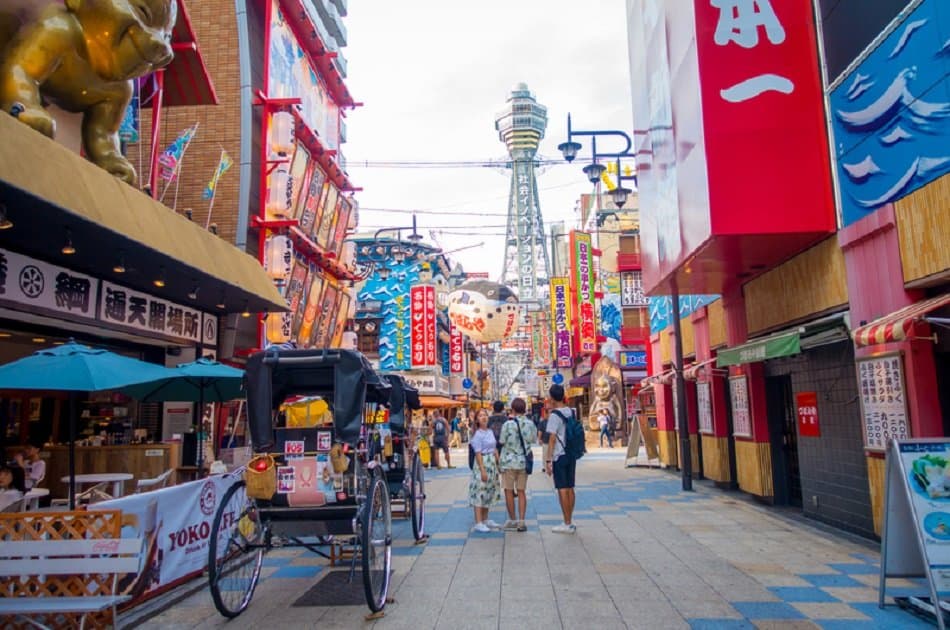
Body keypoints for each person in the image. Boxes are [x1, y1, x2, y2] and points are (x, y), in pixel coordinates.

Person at [498, 397, 535, 532]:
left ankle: (512, 519)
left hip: (508, 462)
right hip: (523, 462)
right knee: (521, 492)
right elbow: (533, 439)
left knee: (508, 491)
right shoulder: (530, 424)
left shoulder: (508, 424)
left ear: (512, 409)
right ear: (524, 409)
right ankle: (522, 521)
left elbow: (502, 441)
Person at [545, 384, 577, 534]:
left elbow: (552, 439)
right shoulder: (571, 412)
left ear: (552, 398)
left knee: (562, 489)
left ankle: (567, 522)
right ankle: (569, 520)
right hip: (571, 453)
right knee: (570, 487)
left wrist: (548, 460)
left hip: (560, 455)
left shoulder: (554, 415)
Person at [469, 408, 501, 532]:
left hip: (491, 463)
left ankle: (485, 518)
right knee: (480, 492)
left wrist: (498, 463)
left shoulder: (490, 431)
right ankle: (478, 521)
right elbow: (477, 454)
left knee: (489, 491)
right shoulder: (477, 434)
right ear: (477, 419)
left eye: (485, 415)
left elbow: (495, 448)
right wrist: (482, 470)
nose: (483, 417)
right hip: (482, 463)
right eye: (480, 415)